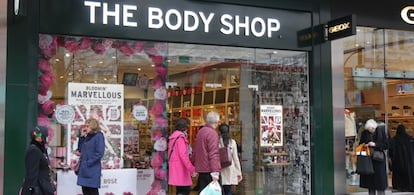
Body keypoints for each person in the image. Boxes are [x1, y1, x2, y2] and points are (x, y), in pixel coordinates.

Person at [21, 126, 55, 195]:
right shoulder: (34, 150)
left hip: (43, 187)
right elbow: (32, 172)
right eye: (46, 136)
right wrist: (31, 190)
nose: (48, 138)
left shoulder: (40, 149)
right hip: (39, 189)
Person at [193, 111, 221, 192]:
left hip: (201, 169)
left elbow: (195, 150)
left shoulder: (200, 132)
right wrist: (215, 171)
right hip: (209, 169)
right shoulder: (212, 133)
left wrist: (194, 166)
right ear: (217, 122)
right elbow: (213, 153)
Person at [359, 119, 388, 195]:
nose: (371, 130)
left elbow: (386, 145)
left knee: (380, 183)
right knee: (370, 183)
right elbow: (360, 144)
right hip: (368, 160)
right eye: (369, 129)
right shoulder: (364, 133)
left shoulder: (381, 132)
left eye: (372, 129)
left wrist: (375, 144)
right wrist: (365, 145)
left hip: (379, 160)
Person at [168, 118, 197, 195]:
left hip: (176, 168)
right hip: (181, 169)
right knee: (185, 190)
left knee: (179, 190)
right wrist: (192, 169)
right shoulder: (180, 138)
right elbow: (183, 156)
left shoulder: (173, 137)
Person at [77, 118, 105, 195]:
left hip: (92, 170)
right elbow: (80, 150)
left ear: (93, 126)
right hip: (84, 170)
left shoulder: (99, 136)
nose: (85, 128)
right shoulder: (87, 137)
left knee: (92, 192)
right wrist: (82, 137)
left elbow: (99, 153)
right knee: (85, 191)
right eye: (85, 126)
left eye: (87, 126)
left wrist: (88, 162)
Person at [218, 124, 242, 195]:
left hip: (220, 168)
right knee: (228, 190)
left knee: (219, 190)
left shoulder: (217, 142)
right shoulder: (232, 142)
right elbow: (235, 158)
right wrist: (239, 172)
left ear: (219, 132)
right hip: (230, 168)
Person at [389, 124, 414, 191]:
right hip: (410, 161)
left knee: (398, 173)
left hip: (398, 161)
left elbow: (391, 151)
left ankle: (399, 186)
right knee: (409, 173)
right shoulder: (410, 139)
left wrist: (392, 159)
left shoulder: (394, 139)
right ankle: (409, 185)